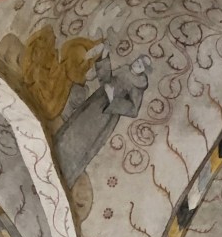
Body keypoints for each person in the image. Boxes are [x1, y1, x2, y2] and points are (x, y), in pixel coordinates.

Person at [55, 45, 152, 186]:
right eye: (138, 61)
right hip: (96, 101)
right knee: (75, 126)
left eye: (141, 65)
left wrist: (112, 98)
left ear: (143, 70)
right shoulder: (124, 70)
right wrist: (105, 57)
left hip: (106, 114)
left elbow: (133, 109)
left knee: (87, 138)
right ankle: (56, 151)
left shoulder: (138, 85)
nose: (137, 64)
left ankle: (67, 170)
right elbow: (107, 80)